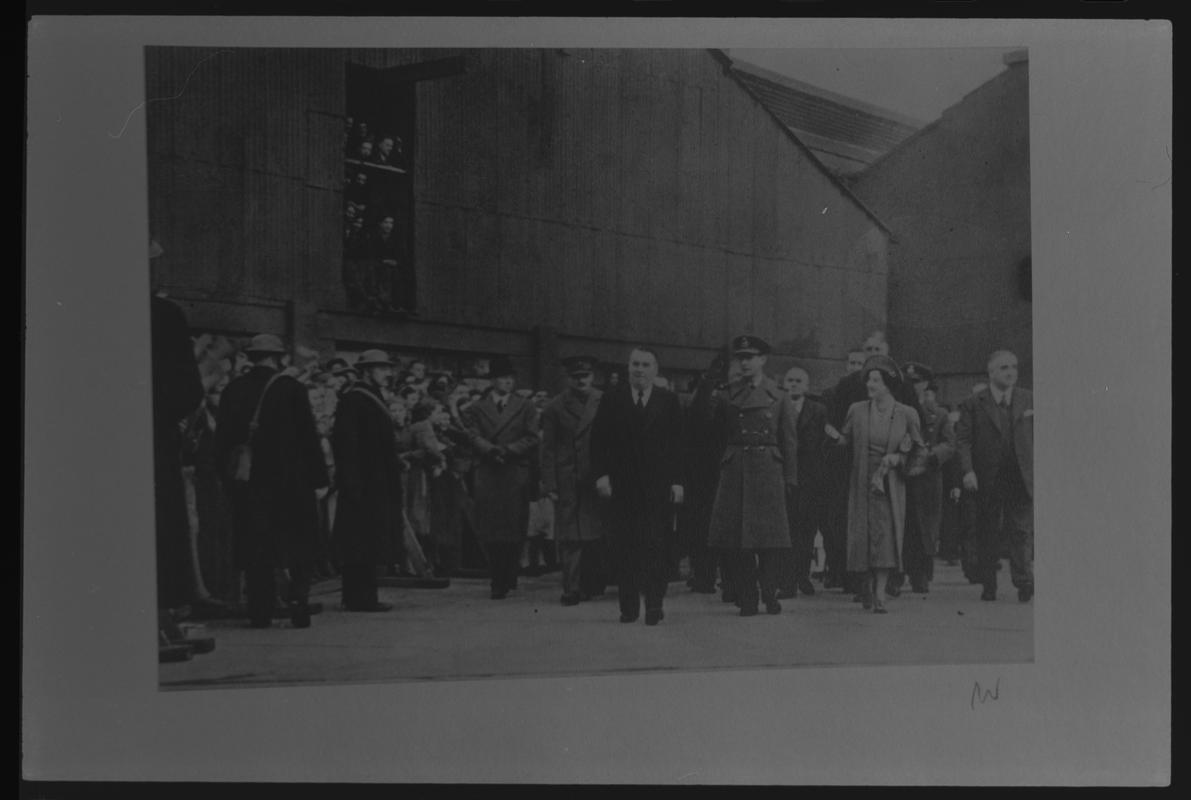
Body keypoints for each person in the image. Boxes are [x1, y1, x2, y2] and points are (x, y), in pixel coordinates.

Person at [214, 334, 329, 629]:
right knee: (299, 542)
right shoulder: (292, 389)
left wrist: (226, 479)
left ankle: (260, 610)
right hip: (292, 481)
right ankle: (298, 603)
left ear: (251, 358)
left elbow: (223, 440)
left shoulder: (233, 390)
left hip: (251, 482)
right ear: (278, 358)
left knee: (256, 545)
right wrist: (319, 476)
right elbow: (308, 436)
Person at [702, 336, 798, 617]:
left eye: (750, 357)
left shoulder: (779, 396)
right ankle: (747, 595)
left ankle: (769, 591)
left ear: (762, 360)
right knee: (739, 539)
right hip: (737, 468)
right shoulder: (726, 394)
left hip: (768, 467)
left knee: (770, 538)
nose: (744, 362)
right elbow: (714, 436)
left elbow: (789, 441)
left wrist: (791, 478)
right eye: (740, 357)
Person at [590, 347, 685, 626]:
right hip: (623, 489)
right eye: (635, 364)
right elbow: (598, 441)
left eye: (645, 365)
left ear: (655, 370)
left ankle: (654, 606)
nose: (639, 370)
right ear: (627, 367)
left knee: (656, 547)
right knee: (625, 548)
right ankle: (629, 607)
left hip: (658, 488)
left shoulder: (668, 401)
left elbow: (679, 445)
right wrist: (601, 476)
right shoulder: (613, 399)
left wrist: (679, 481)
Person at [826, 355, 925, 614]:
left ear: (888, 385)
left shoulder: (906, 413)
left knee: (886, 537)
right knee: (862, 535)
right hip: (861, 481)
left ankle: (880, 591)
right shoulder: (856, 410)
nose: (869, 384)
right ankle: (866, 587)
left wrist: (899, 459)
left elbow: (919, 451)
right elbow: (844, 442)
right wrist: (831, 435)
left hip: (890, 484)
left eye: (875, 380)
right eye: (868, 380)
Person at [150, 240, 211, 660]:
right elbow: (187, 392)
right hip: (151, 438)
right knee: (159, 527)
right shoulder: (164, 315)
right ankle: (158, 617)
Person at [955, 350, 1034, 602]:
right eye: (1003, 368)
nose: (1010, 372)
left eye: (1013, 367)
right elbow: (963, 440)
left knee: (1021, 531)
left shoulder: (1028, 400)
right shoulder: (974, 403)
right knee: (988, 531)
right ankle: (988, 583)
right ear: (991, 373)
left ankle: (1024, 581)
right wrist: (968, 471)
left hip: (1019, 476)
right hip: (988, 478)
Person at [461, 356, 541, 599]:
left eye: (510, 378)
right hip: (488, 471)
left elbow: (532, 437)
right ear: (493, 380)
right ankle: (498, 579)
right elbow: (472, 435)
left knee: (514, 527)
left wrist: (508, 450)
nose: (507, 382)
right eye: (502, 378)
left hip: (514, 470)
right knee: (492, 528)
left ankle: (509, 574)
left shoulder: (525, 406)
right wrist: (490, 450)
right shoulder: (475, 408)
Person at [331, 349, 404, 612]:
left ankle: (361, 595)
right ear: (366, 371)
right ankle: (360, 597)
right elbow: (346, 443)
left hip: (372, 480)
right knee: (360, 541)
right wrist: (352, 483)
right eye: (382, 368)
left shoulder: (368, 396)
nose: (388, 373)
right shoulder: (356, 398)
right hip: (364, 481)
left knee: (366, 540)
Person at [539, 356, 606, 606]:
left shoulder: (604, 400)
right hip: (568, 479)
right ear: (569, 378)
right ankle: (571, 588)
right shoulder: (555, 407)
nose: (581, 381)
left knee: (594, 533)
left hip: (597, 477)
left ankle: (593, 583)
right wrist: (550, 484)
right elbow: (547, 449)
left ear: (593, 377)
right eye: (576, 377)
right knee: (570, 537)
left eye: (585, 376)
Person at [902, 363, 957, 593]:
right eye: (909, 382)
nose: (912, 386)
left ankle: (921, 574)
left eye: (916, 382)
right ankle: (898, 574)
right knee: (904, 525)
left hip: (929, 478)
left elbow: (950, 443)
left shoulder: (939, 413)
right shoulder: (900, 408)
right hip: (903, 475)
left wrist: (932, 455)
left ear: (925, 384)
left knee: (926, 527)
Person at [777, 364, 828, 599]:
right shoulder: (777, 406)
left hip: (810, 480)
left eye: (798, 381)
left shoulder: (818, 411)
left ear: (807, 386)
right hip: (785, 478)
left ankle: (802, 576)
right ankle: (786, 581)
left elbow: (824, 445)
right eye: (790, 380)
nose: (794, 384)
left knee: (806, 530)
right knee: (786, 530)